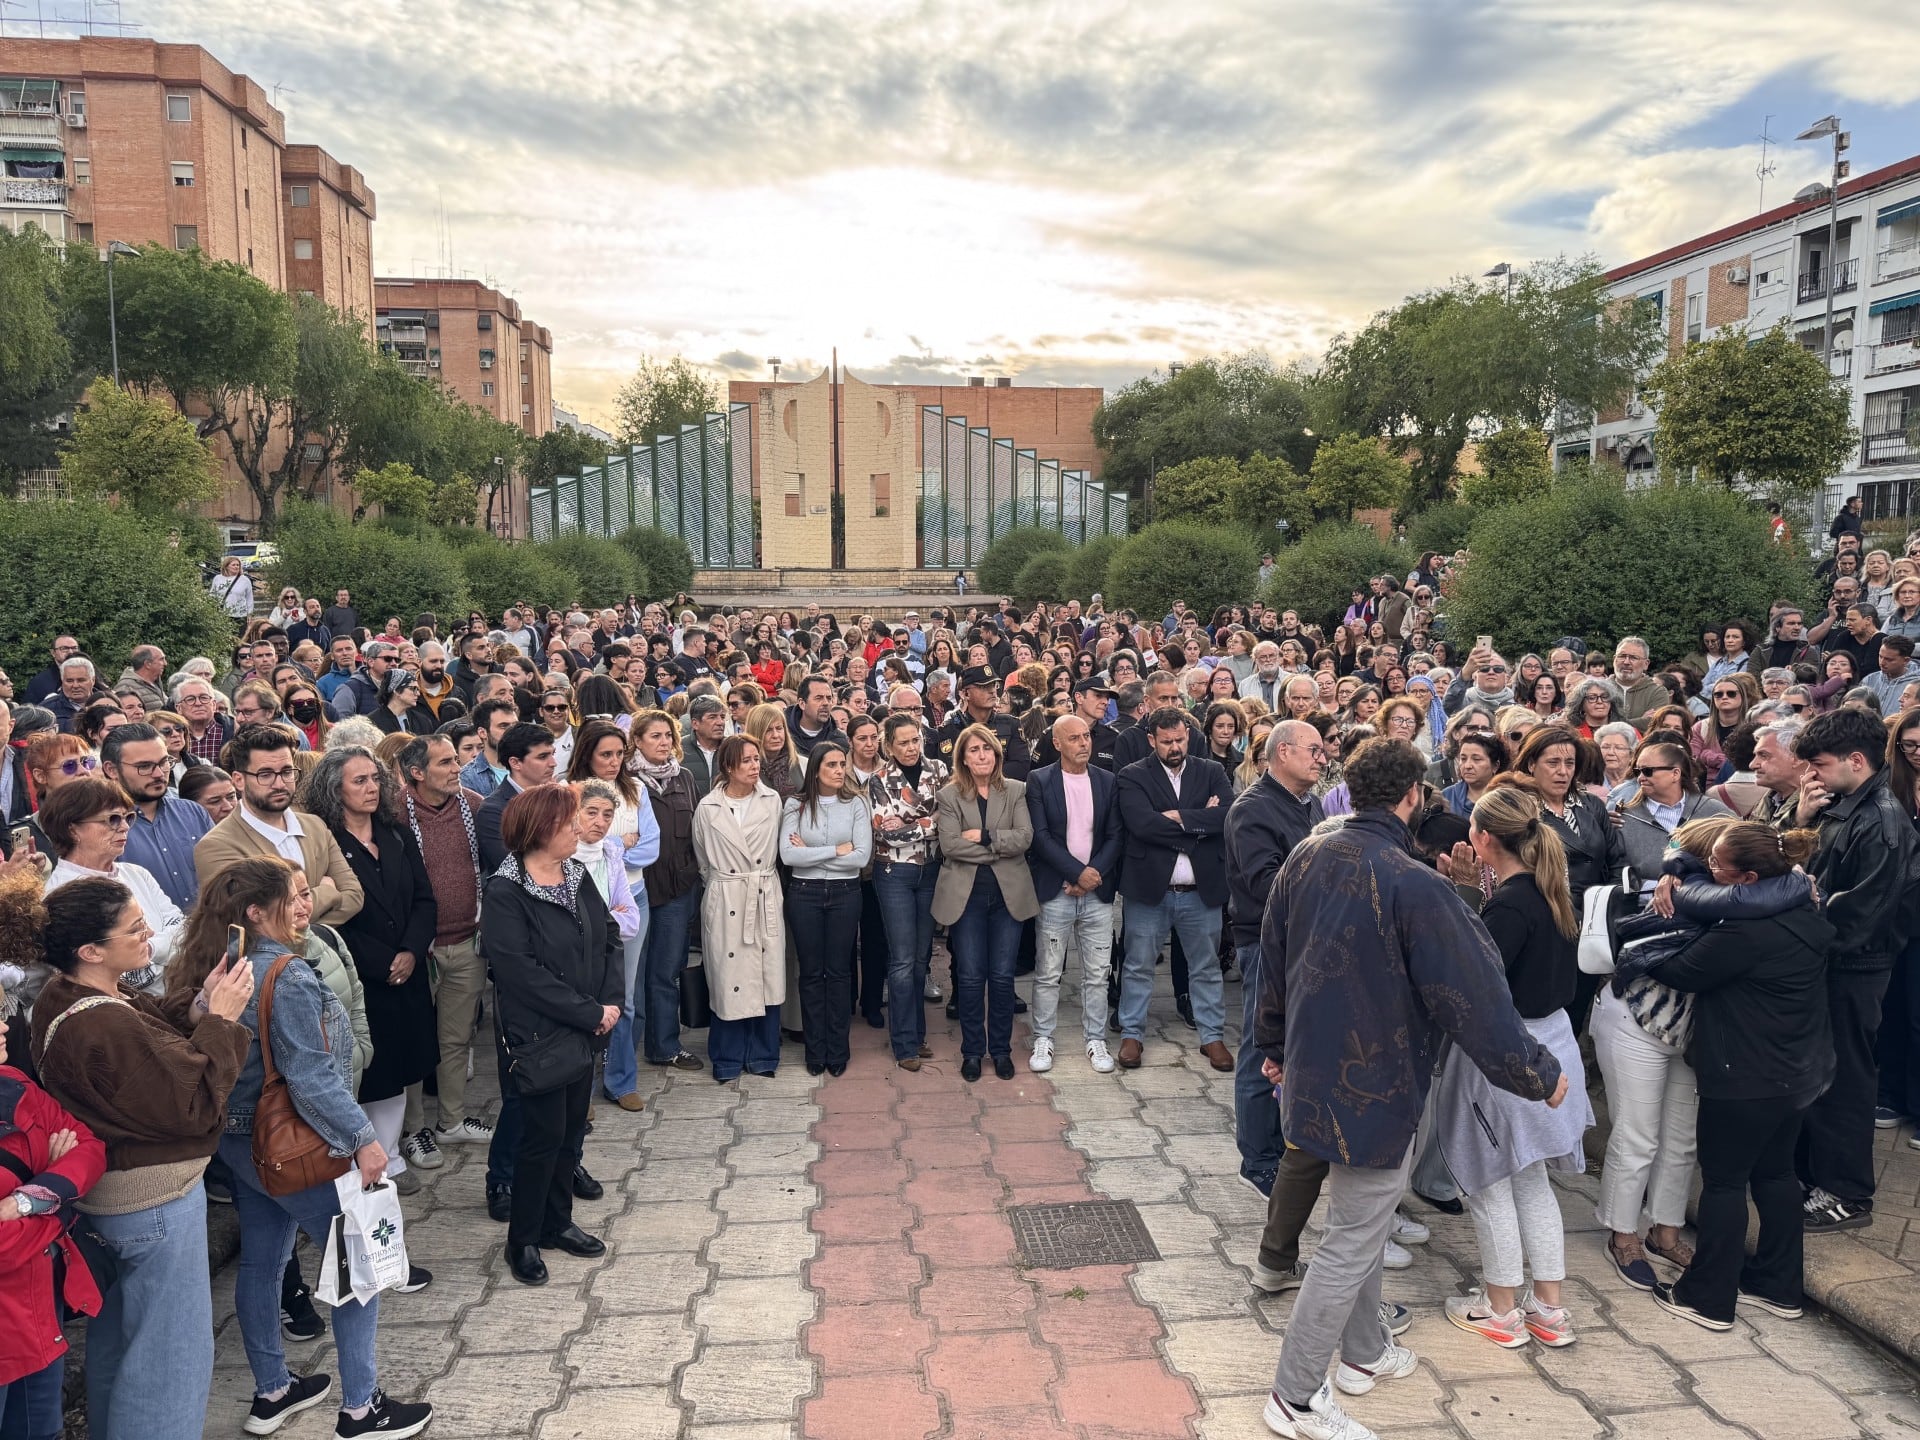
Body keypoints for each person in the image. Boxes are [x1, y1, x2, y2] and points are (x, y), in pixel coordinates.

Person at [1253, 739, 1567, 1440]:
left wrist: (1271, 1049)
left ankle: (1362, 1356)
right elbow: (1473, 997)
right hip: (1377, 1085)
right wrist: (1536, 1074)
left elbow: (1270, 965)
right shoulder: (1410, 880)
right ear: (1413, 797)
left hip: (1312, 1073)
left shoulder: (1307, 854)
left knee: (1356, 1226)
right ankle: (1295, 1399)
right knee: (1351, 1237)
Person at [169, 858, 434, 1439]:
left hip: (242, 1143)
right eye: (291, 898)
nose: (303, 906)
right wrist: (363, 1139)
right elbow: (309, 1076)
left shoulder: (226, 965)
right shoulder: (284, 973)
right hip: (294, 1144)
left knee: (264, 1261)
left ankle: (274, 1391)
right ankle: (362, 1409)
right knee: (357, 1263)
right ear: (256, 911)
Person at [14, 871, 243, 1440]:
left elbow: (150, 1039)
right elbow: (188, 1105)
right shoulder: (100, 1020)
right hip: (153, 1206)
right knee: (169, 1359)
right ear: (91, 949)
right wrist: (221, 1021)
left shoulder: (72, 994)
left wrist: (196, 1009)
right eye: (135, 928)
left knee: (123, 1343)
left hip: (116, 1202)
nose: (149, 935)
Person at [1632, 822, 1833, 1330]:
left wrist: (1637, 947)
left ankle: (1708, 1299)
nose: (1710, 871)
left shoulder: (1744, 932)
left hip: (1743, 1075)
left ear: (1746, 878)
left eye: (1719, 865)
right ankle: (1778, 1287)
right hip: (1798, 1073)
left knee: (1723, 1183)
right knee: (1777, 1175)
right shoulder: (1804, 911)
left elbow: (1680, 971)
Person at [1433, 787, 1594, 1349]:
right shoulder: (1552, 892)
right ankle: (1549, 1309)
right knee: (1531, 1182)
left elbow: (1479, 984)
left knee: (1490, 1183)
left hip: (1507, 1055)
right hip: (1551, 1041)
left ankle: (1501, 1312)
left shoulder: (1511, 904)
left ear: (1481, 839)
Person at [483, 785, 620, 1287]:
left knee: (569, 1134)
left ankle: (557, 1222)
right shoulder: (505, 891)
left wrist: (611, 1003)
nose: (578, 829)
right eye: (568, 824)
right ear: (540, 831)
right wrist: (589, 1011)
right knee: (540, 1139)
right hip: (540, 1034)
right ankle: (522, 1239)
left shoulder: (577, 874)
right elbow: (520, 972)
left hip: (587, 1028)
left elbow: (607, 937)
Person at [1794, 708, 1920, 1231]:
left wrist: (1802, 927)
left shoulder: (1884, 821)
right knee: (1822, 1074)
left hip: (1854, 966)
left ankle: (1847, 1193)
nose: (1811, 776)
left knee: (1846, 1077)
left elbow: (1862, 912)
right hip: (1832, 959)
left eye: (1819, 764)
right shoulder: (1846, 804)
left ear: (1855, 759)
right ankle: (1814, 1176)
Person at [302, 748, 439, 1218]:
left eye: (375, 778)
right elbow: (330, 917)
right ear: (332, 789)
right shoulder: (323, 841)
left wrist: (411, 951)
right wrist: (384, 962)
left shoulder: (396, 832)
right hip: (361, 977)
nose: (371, 787)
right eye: (359, 780)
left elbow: (424, 896)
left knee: (400, 1066)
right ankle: (362, 1162)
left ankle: (392, 1156)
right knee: (367, 1071)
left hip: (408, 969)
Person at [1222, 720, 1325, 1195]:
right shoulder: (1254, 809)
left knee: (1294, 1047)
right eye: (1314, 749)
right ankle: (1257, 1159)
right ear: (1282, 752)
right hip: (1265, 942)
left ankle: (1286, 1143)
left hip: (1305, 939)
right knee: (1260, 1046)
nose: (1322, 757)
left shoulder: (1311, 805)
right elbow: (1265, 885)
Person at [1114, 706, 1234, 1071]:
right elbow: (1142, 825)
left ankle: (1212, 1037)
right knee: (1137, 965)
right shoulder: (1132, 776)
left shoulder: (1212, 770)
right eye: (1166, 742)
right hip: (1151, 889)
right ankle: (1132, 1034)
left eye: (1180, 739)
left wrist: (1178, 817)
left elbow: (1226, 816)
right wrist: (1199, 822)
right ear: (1152, 740)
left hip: (1201, 891)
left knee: (1206, 967)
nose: (1175, 747)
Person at [392, 735, 493, 1156]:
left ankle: (450, 1121)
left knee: (456, 1038)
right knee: (414, 1040)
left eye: (457, 760)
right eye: (446, 762)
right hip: (420, 949)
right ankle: (412, 1128)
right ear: (418, 773)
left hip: (467, 942)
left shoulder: (472, 804)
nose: (458, 768)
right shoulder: (394, 811)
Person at [933, 725, 1037, 1082]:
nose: (982, 755)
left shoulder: (1016, 790)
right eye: (974, 749)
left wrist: (985, 838)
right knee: (971, 977)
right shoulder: (949, 796)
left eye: (988, 749)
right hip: (967, 899)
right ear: (962, 756)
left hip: (1008, 897)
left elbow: (1024, 838)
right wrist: (997, 850)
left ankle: (1002, 1051)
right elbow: (949, 845)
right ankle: (973, 1052)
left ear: (997, 754)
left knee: (1003, 978)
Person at [566, 722, 659, 1112]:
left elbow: (650, 846)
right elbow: (567, 841)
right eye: (605, 754)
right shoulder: (566, 791)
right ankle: (578, 1084)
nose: (613, 761)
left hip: (629, 896)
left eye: (619, 754)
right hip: (575, 900)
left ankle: (621, 1080)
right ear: (587, 752)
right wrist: (619, 842)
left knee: (625, 997)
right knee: (580, 996)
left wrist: (611, 850)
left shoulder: (636, 790)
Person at [1026, 715, 1123, 1076]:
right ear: (1057, 743)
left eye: (1086, 737)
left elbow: (1115, 835)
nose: (1084, 743)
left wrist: (1090, 876)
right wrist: (1075, 873)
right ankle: (1043, 1037)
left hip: (1096, 892)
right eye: (1075, 738)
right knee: (1049, 970)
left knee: (1098, 972)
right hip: (1056, 891)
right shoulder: (1039, 780)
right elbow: (1040, 836)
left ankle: (1095, 1038)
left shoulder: (1107, 780)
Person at [194, 725, 365, 925]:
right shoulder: (216, 847)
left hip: (328, 953)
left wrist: (292, 918)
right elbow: (252, 922)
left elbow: (354, 896)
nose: (279, 784)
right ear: (238, 780)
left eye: (286, 772)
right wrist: (327, 892)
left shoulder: (315, 826)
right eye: (265, 774)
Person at [692, 735, 787, 1082]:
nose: (754, 766)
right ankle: (727, 1057)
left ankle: (764, 1053)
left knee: (765, 974)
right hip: (727, 894)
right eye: (746, 760)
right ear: (729, 766)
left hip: (762, 891)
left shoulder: (772, 800)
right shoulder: (708, 808)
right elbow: (703, 858)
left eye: (756, 759)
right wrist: (722, 887)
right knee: (726, 975)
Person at [780, 740, 872, 1078]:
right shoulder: (796, 805)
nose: (838, 770)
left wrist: (814, 851)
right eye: (831, 765)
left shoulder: (856, 804)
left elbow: (861, 858)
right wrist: (836, 851)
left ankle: (839, 1048)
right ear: (816, 770)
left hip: (845, 894)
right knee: (810, 972)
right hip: (804, 894)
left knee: (838, 972)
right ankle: (814, 1048)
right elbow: (789, 857)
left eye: (841, 764)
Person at [869, 713, 947, 1069]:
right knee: (901, 960)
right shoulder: (878, 779)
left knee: (920, 959)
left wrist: (911, 821)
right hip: (894, 873)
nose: (911, 748)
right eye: (902, 742)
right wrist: (928, 820)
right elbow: (885, 833)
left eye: (914, 740)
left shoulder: (940, 770)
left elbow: (951, 820)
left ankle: (918, 1033)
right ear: (889, 746)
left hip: (932, 872)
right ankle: (904, 1043)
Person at [628, 712, 704, 1074]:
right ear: (637, 741)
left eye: (667, 736)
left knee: (667, 970)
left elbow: (697, 832)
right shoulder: (626, 780)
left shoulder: (684, 778)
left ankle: (664, 1045)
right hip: (635, 890)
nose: (663, 742)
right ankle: (624, 1053)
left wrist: (692, 871)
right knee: (633, 974)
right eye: (654, 736)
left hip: (676, 891)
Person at [210, 557, 255, 622]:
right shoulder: (217, 578)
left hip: (240, 615)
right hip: (222, 614)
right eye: (233, 565)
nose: (236, 567)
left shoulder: (245, 580)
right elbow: (212, 595)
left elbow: (249, 598)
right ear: (226, 566)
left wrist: (250, 614)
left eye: (238, 565)